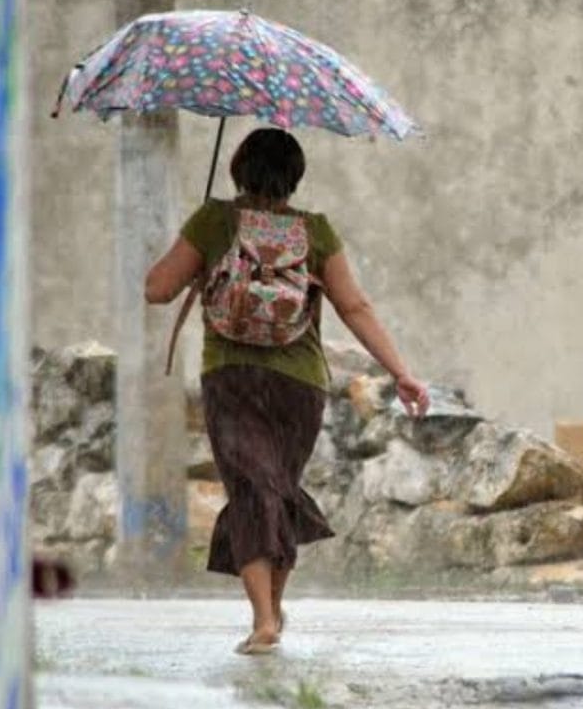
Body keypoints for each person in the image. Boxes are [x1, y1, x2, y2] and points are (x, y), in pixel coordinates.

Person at [144, 127, 430, 655]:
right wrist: (401, 372)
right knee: (275, 489)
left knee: (254, 491)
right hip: (299, 385)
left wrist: (200, 265)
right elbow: (355, 307)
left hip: (231, 377)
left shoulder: (214, 220)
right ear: (295, 177)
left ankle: (264, 621)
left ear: (237, 168)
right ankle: (271, 611)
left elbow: (156, 289)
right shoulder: (316, 231)